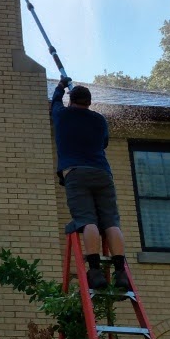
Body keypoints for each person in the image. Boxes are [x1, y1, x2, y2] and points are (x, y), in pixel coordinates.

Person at [50, 76, 131, 293]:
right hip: (102, 173)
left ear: (71, 100)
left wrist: (60, 86)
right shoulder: (99, 120)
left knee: (87, 221)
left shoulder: (63, 116)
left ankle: (95, 270)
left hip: (76, 174)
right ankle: (121, 273)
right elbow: (103, 142)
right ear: (89, 102)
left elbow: (54, 103)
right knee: (111, 222)